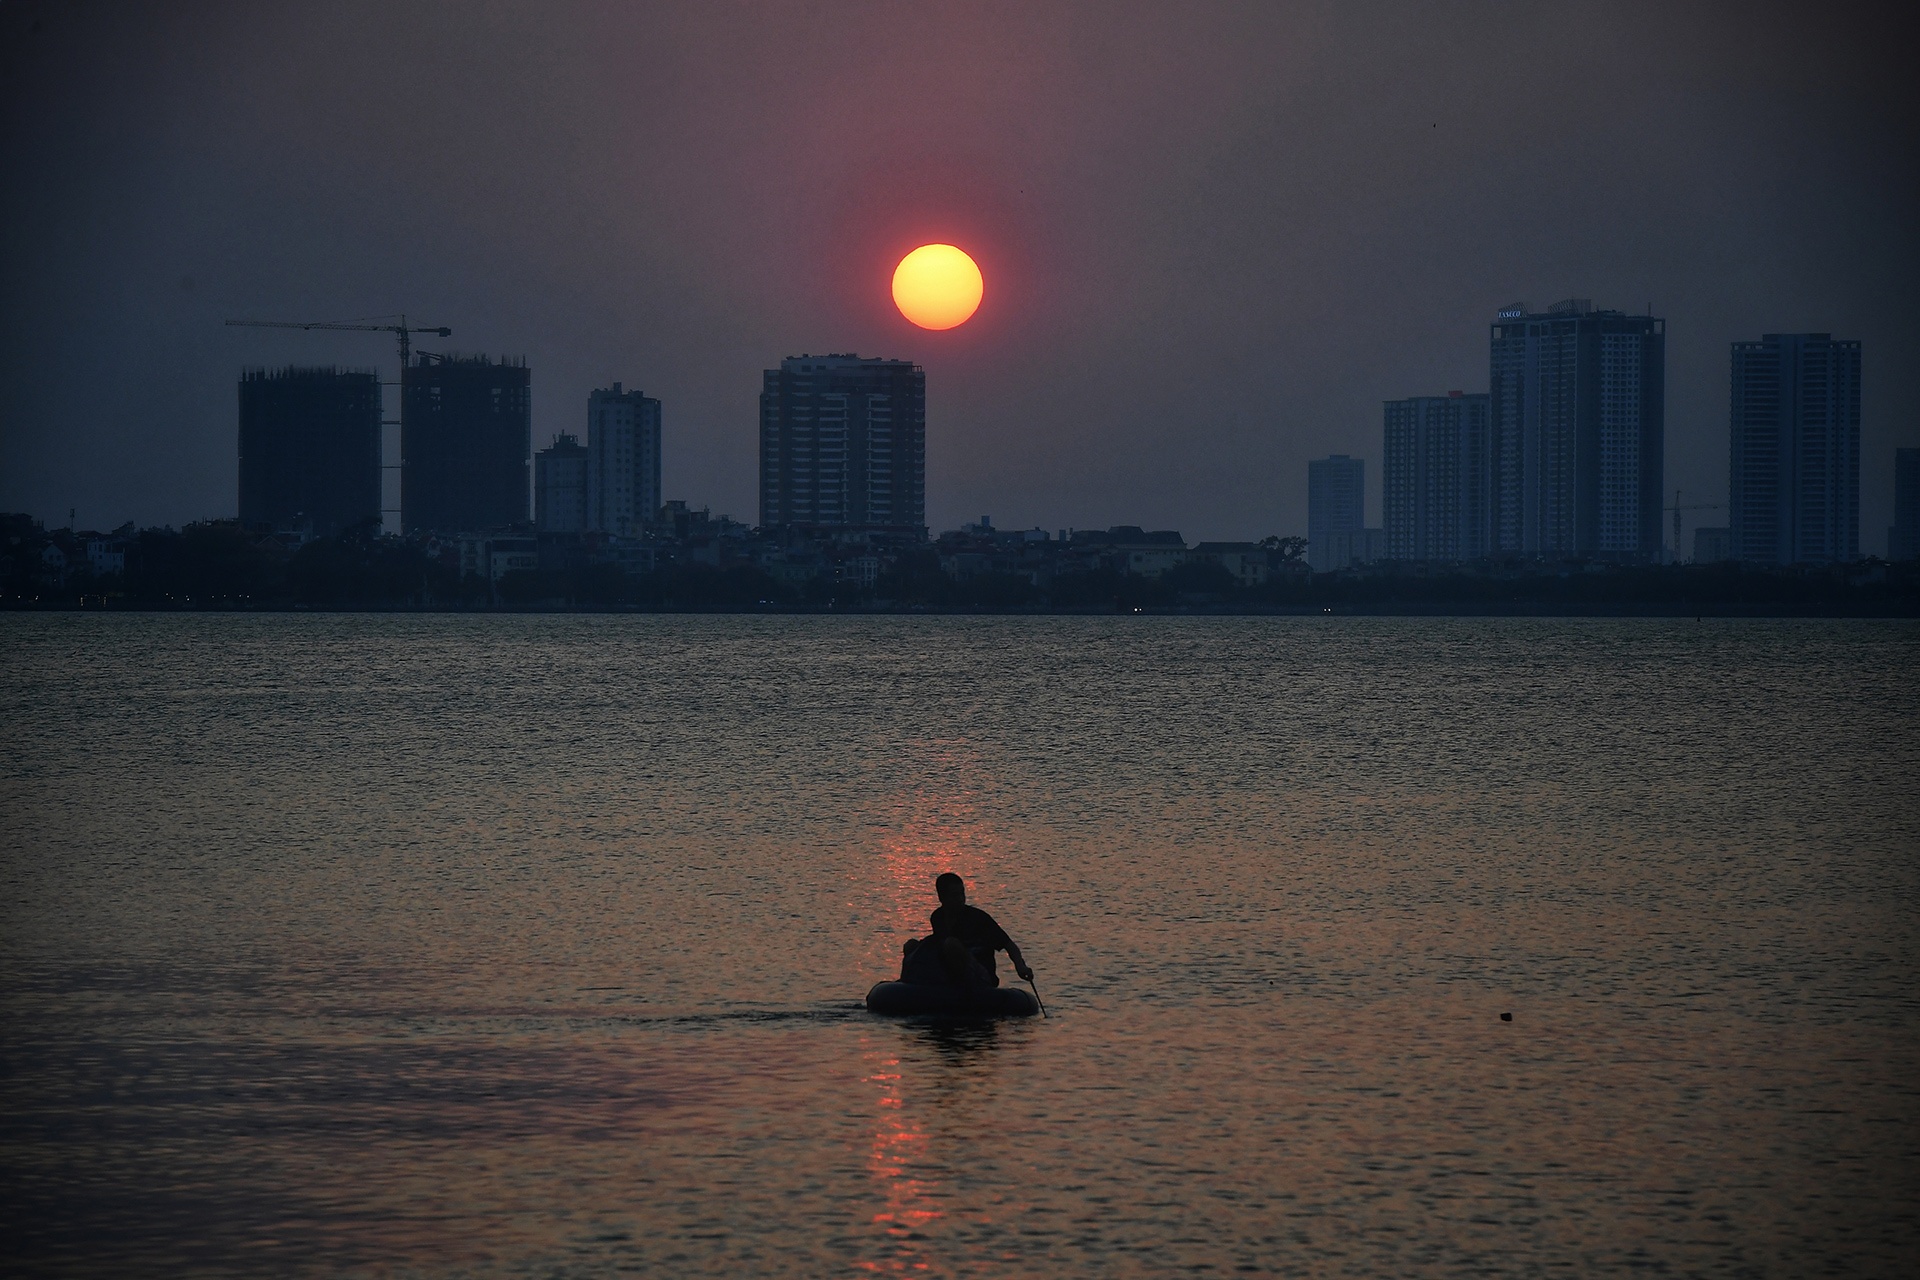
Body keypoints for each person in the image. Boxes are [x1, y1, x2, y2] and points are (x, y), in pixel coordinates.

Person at [927, 872, 1033, 989]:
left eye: (962, 894)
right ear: (941, 897)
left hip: (981, 975)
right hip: (949, 974)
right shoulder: (937, 917)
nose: (961, 899)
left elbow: (1008, 944)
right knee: (912, 945)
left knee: (951, 944)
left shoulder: (978, 918)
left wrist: (1020, 966)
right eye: (955, 895)